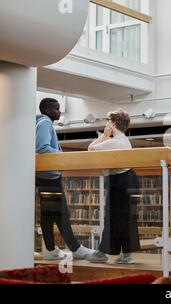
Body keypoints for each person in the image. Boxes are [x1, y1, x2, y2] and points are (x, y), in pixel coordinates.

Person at [36, 98, 93, 260]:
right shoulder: (45, 123)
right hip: (50, 175)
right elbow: (42, 147)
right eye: (57, 108)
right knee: (61, 213)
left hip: (44, 175)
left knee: (48, 214)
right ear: (47, 110)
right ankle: (75, 248)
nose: (59, 112)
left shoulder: (39, 122)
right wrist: (63, 157)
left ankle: (50, 249)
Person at [86, 109, 141, 264]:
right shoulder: (124, 140)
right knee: (125, 218)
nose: (106, 123)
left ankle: (102, 253)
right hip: (128, 179)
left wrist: (104, 135)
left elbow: (90, 149)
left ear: (113, 123)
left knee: (113, 217)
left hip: (120, 181)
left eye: (108, 121)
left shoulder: (114, 141)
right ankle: (126, 255)